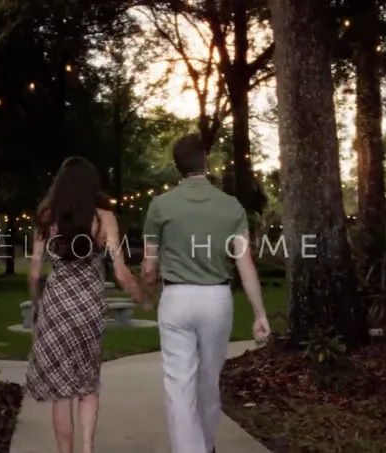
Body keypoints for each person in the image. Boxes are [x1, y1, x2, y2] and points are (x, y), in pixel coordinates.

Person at [141, 133, 271, 453]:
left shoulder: (160, 205)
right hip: (216, 300)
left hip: (176, 299)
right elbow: (245, 264)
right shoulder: (230, 206)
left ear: (177, 167)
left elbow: (148, 267)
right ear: (206, 161)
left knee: (179, 386)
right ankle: (207, 445)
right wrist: (259, 314)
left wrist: (148, 291)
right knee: (208, 382)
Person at [25, 156, 144, 453]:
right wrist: (141, 296)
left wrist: (36, 305)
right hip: (89, 308)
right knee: (87, 386)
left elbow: (35, 270)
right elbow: (120, 271)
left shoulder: (47, 217)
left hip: (56, 307)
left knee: (61, 394)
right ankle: (88, 449)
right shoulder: (104, 217)